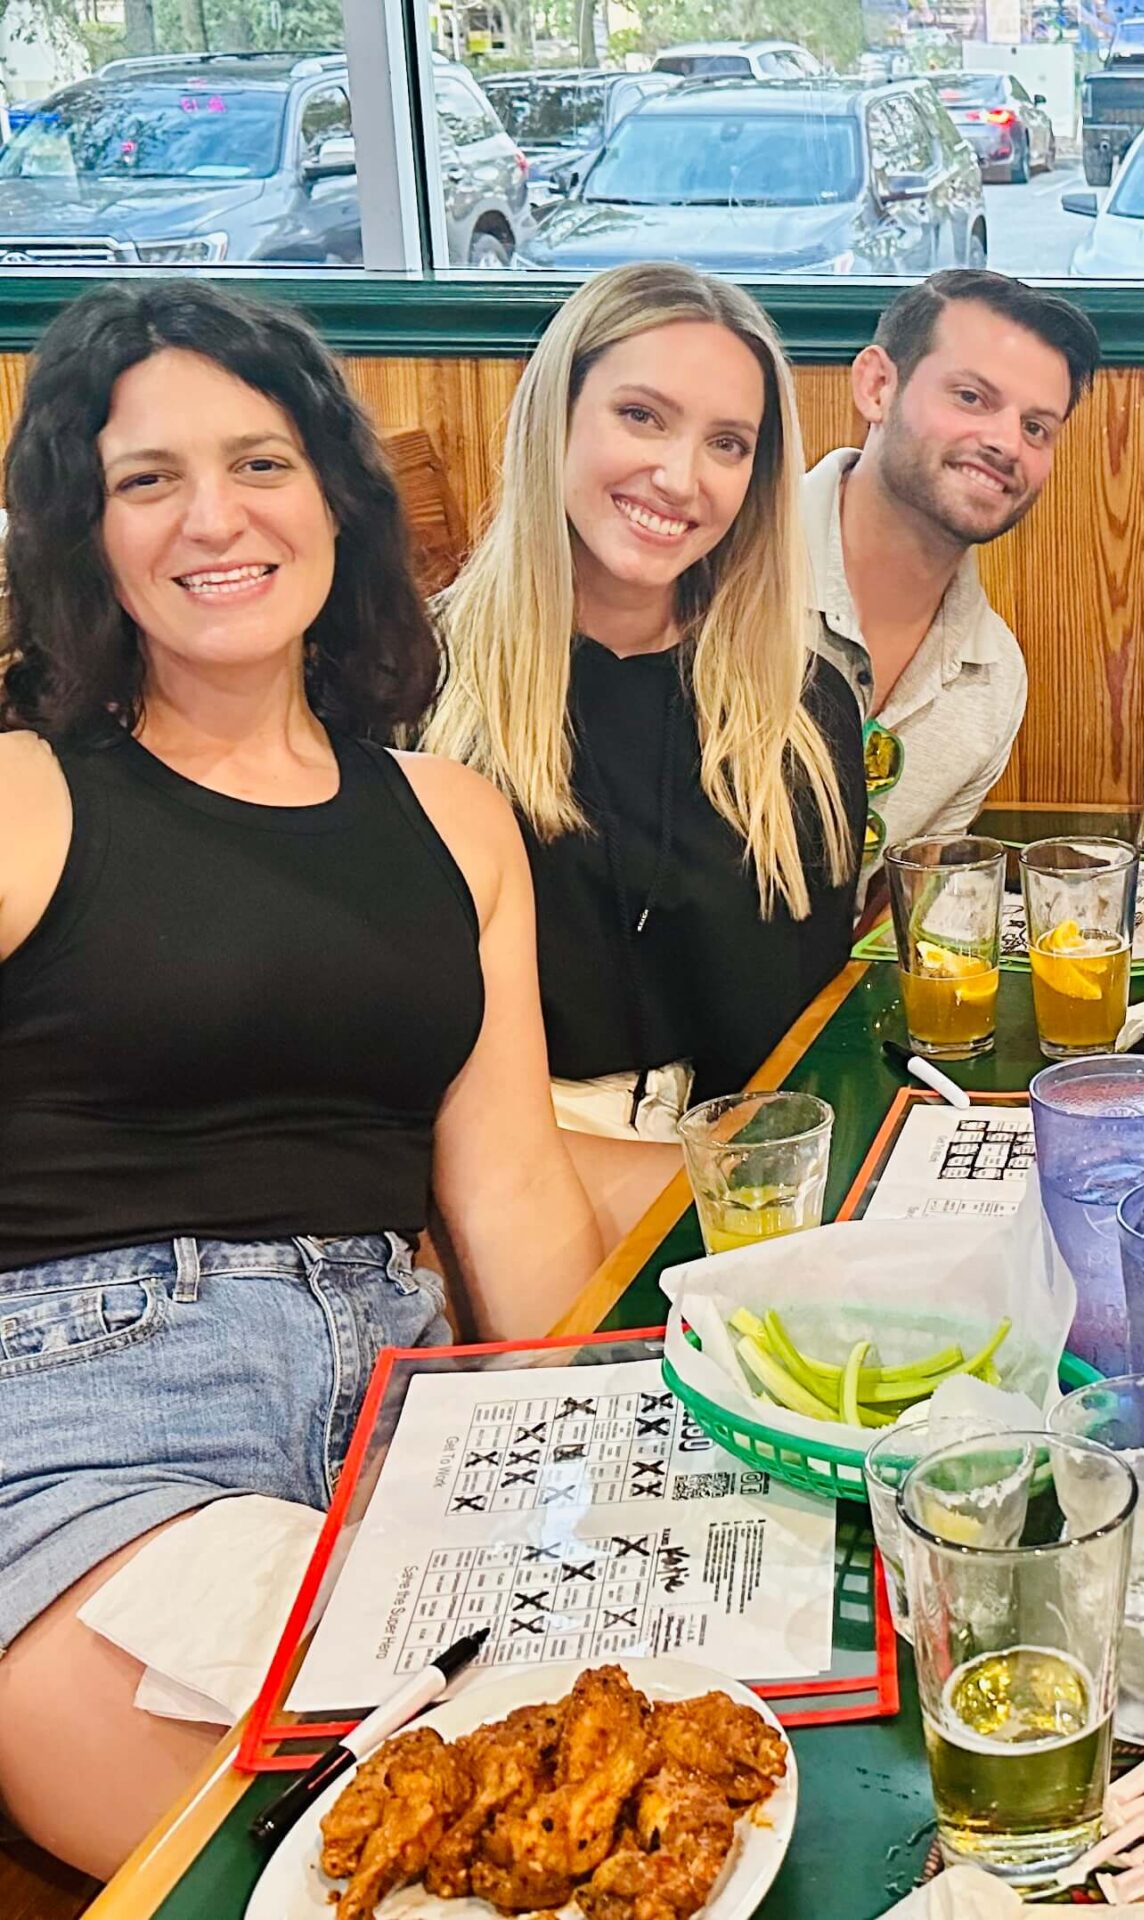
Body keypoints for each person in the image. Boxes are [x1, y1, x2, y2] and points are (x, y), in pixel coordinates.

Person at [0, 282, 601, 1876]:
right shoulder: (20, 796)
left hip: (411, 1434)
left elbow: (514, 1197)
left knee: (642, 1790)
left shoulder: (456, 819)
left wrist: (608, 1455)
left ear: (332, 495)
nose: (214, 518)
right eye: (147, 480)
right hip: (88, 1441)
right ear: (85, 531)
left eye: (259, 463)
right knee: (403, 1867)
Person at [426, 265, 862, 1246]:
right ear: (558, 417)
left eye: (727, 445)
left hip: (737, 1180)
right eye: (641, 416)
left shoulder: (802, 705)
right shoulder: (416, 689)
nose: (680, 477)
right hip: (484, 1193)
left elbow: (798, 1036)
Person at [803, 268, 1100, 881]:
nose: (1006, 443)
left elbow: (896, 913)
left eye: (1036, 427)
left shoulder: (993, 680)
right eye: (971, 398)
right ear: (878, 386)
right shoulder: (721, 571)